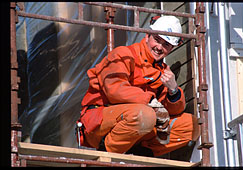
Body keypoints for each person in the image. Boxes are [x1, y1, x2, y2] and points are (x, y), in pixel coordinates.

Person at [76, 15, 198, 157]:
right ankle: (105, 156)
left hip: (138, 129)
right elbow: (115, 90)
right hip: (100, 123)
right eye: (157, 40)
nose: (159, 47)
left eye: (166, 45)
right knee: (145, 114)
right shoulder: (123, 54)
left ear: (171, 49)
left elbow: (172, 112)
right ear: (147, 36)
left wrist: (173, 90)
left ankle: (140, 155)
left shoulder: (163, 72)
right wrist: (152, 102)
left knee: (191, 125)